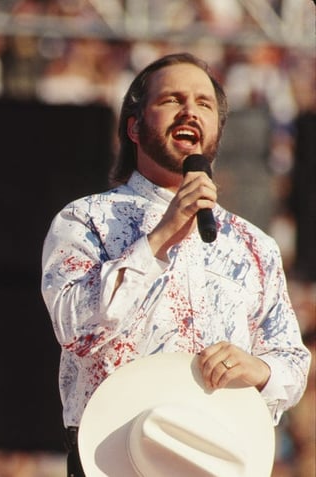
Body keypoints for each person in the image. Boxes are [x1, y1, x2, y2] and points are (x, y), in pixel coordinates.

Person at [40, 53, 311, 476]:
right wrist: (160, 237)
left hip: (212, 455)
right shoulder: (86, 220)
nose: (189, 110)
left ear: (217, 130)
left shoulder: (255, 246)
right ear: (134, 126)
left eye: (204, 103)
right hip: (113, 455)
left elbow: (292, 362)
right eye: (172, 99)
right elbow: (76, 328)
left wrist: (259, 369)